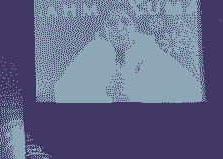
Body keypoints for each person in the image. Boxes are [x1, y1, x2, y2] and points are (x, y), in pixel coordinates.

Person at [54, 10, 202, 103]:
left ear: (134, 27)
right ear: (104, 30)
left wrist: (130, 94)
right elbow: (65, 89)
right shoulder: (94, 52)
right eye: (112, 23)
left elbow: (189, 89)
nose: (119, 28)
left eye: (125, 22)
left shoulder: (150, 52)